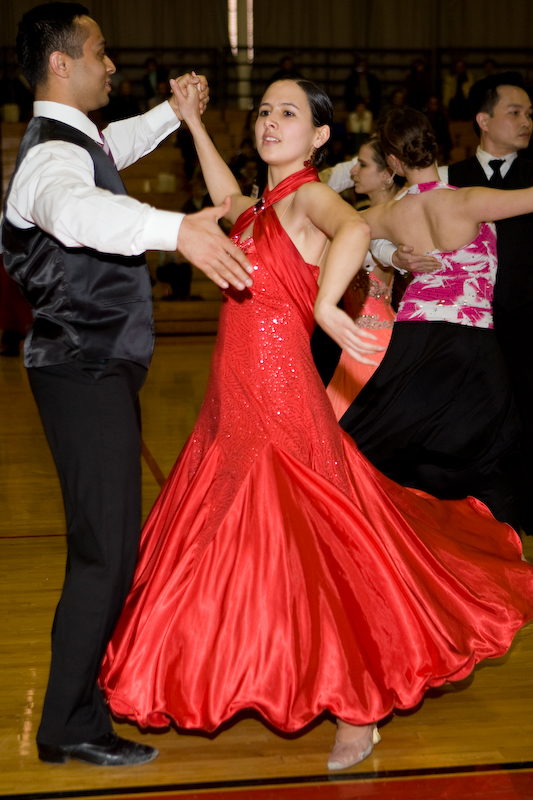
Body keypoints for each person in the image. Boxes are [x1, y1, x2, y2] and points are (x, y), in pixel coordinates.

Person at [99, 78, 533, 773]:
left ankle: (358, 706)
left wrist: (329, 304)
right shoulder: (260, 205)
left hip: (281, 396)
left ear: (320, 136)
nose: (270, 122)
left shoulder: (307, 196)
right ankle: (240, 661)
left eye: (288, 113)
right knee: (239, 539)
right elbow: (225, 198)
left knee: (321, 544)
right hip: (230, 398)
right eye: (264, 112)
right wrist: (193, 123)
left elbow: (355, 229)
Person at [1, 2, 253, 768]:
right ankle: (68, 723)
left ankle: (77, 709)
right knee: (104, 555)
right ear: (61, 63)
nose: (111, 64)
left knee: (107, 550)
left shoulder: (77, 141)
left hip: (91, 368)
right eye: (100, 51)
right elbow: (75, 211)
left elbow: (115, 150)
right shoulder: (51, 161)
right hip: (81, 368)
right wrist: (178, 229)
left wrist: (174, 114)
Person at [328, 107, 533, 532]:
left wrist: (388, 251)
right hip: (471, 343)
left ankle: (338, 519)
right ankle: (480, 544)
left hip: (414, 341)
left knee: (373, 441)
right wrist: (388, 253)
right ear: (434, 145)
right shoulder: (469, 199)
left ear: (394, 162)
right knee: (491, 452)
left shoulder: (385, 215)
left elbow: (332, 228)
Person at [439, 72, 533, 536]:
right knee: (469, 418)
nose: (526, 121)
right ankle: (472, 516)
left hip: (529, 323)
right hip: (467, 325)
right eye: (515, 112)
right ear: (483, 119)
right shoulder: (447, 179)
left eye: (530, 114)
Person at [326, 137, 401, 419]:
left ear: (387, 174)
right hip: (353, 339)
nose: (353, 171)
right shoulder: (356, 218)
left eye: (362, 165)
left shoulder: (401, 216)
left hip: (375, 342)